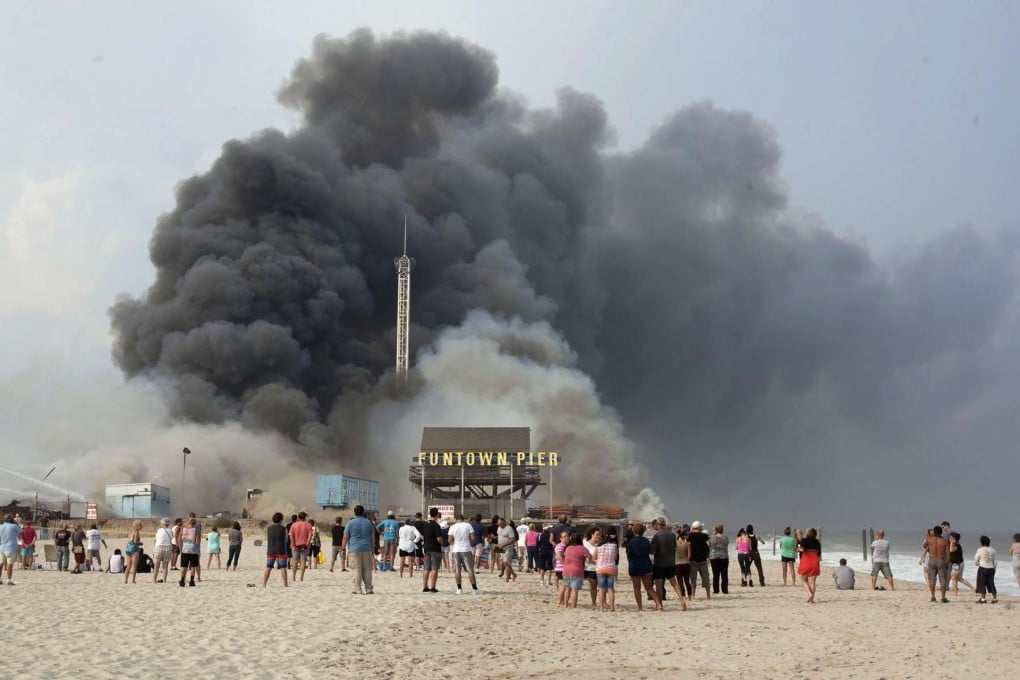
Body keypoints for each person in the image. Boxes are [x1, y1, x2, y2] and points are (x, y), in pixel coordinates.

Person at [649, 518, 686, 609]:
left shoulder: (656, 536)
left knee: (659, 585)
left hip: (659, 563)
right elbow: (675, 548)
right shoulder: (672, 535)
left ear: (658, 525)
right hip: (670, 563)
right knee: (674, 583)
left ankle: (660, 605)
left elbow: (653, 551)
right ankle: (682, 600)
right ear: (664, 525)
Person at [625, 522, 661, 611]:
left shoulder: (631, 542)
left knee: (637, 588)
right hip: (646, 566)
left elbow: (629, 555)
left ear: (633, 531)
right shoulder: (646, 541)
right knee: (649, 588)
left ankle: (640, 607)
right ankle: (658, 604)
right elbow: (650, 551)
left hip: (635, 566)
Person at [342, 504, 376, 595]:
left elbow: (345, 536)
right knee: (367, 570)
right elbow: (372, 536)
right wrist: (372, 547)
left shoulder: (350, 523)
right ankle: (369, 589)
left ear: (354, 512)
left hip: (354, 549)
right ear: (363, 512)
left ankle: (358, 589)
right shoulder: (368, 522)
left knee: (356, 569)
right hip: (366, 548)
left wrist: (343, 548)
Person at [447, 514, 479, 594]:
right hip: (466, 549)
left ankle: (459, 589)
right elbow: (473, 538)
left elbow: (449, 541)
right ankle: (474, 589)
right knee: (470, 570)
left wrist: (456, 539)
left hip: (456, 550)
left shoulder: (452, 527)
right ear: (463, 519)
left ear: (456, 519)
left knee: (457, 571)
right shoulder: (468, 525)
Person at [920, 525, 950, 603]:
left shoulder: (929, 539)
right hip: (941, 560)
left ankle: (933, 596)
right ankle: (943, 597)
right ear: (941, 532)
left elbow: (924, 546)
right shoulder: (944, 541)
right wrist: (947, 563)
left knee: (932, 579)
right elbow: (948, 554)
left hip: (932, 560)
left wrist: (929, 540)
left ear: (934, 532)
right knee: (942, 580)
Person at [593, 528, 618, 612]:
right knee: (610, 588)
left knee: (601, 588)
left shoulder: (598, 546)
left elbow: (594, 558)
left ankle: (601, 607)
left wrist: (598, 561)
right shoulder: (614, 545)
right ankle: (612, 607)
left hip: (600, 568)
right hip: (610, 568)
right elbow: (615, 557)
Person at [261, 512, 288, 588]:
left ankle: (264, 584)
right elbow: (286, 540)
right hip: (281, 550)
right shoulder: (284, 529)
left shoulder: (269, 528)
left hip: (271, 550)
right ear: (281, 520)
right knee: (283, 567)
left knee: (268, 567)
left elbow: (267, 538)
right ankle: (285, 584)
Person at [560, 534, 588, 608]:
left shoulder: (568, 548)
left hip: (566, 570)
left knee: (567, 588)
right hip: (577, 570)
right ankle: (573, 606)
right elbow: (589, 557)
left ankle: (565, 604)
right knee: (574, 590)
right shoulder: (582, 548)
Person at [420, 507, 444, 592]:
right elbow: (439, 538)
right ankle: (433, 587)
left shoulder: (425, 524)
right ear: (437, 514)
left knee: (426, 568)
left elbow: (421, 536)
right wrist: (442, 543)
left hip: (426, 548)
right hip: (435, 549)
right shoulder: (436, 525)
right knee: (434, 568)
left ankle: (425, 587)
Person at [687, 520, 711, 600]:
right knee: (706, 578)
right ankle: (708, 595)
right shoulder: (704, 536)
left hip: (693, 560)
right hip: (703, 560)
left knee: (693, 579)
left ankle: (693, 595)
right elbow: (708, 545)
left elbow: (688, 547)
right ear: (699, 527)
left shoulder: (690, 536)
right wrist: (706, 555)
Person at [798, 527, 821, 603]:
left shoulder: (804, 540)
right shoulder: (817, 542)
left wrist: (797, 549)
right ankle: (812, 599)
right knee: (812, 582)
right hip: (815, 560)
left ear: (808, 533)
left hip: (806, 560)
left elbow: (802, 549)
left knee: (804, 580)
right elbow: (819, 554)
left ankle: (809, 594)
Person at [288, 511, 312, 583]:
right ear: (305, 517)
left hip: (295, 545)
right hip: (304, 546)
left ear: (298, 517)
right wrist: (306, 545)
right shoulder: (308, 525)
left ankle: (293, 577)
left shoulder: (294, 525)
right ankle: (301, 578)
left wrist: (293, 544)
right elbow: (310, 536)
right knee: (303, 561)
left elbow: (291, 536)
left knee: (295, 561)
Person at [973, 535, 997, 604]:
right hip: (991, 568)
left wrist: (978, 564)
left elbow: (976, 559)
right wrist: (994, 568)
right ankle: (994, 598)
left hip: (983, 568)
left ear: (981, 542)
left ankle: (983, 599)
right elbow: (995, 561)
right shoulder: (993, 550)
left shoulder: (980, 550)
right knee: (991, 583)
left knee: (982, 583)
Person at [0, 515, 23, 584]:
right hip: (11, 548)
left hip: (2, 547)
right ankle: (9, 580)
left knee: (0, 564)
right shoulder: (14, 526)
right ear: (12, 520)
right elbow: (21, 531)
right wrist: (16, 523)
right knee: (10, 565)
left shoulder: (0, 526)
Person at [178, 517, 200, 587]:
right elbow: (197, 541)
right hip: (193, 549)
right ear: (195, 523)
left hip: (185, 549)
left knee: (184, 566)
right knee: (193, 566)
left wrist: (180, 546)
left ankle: (182, 580)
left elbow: (179, 538)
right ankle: (191, 581)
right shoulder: (195, 530)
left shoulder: (183, 530)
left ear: (188, 522)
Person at [709, 523, 730, 595]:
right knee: (724, 574)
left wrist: (713, 535)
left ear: (715, 530)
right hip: (724, 557)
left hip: (714, 557)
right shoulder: (725, 538)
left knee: (715, 574)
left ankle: (716, 590)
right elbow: (727, 544)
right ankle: (725, 590)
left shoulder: (712, 537)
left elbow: (708, 544)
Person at [496, 516, 518, 583]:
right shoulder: (499, 528)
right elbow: (499, 536)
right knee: (503, 563)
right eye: (499, 524)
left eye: (501, 523)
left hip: (508, 548)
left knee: (506, 562)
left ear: (504, 522)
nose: (500, 525)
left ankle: (507, 578)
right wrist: (498, 543)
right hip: (500, 548)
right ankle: (514, 574)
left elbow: (513, 539)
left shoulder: (509, 529)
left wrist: (503, 545)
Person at [153, 518, 174, 583]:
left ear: (162, 524)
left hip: (159, 547)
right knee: (165, 566)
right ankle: (164, 580)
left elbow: (156, 540)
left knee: (156, 566)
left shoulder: (159, 530)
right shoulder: (170, 530)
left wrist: (154, 549)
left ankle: (154, 580)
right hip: (168, 547)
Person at [674, 525, 692, 597]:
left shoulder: (675, 544)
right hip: (686, 563)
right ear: (684, 536)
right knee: (687, 581)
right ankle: (689, 596)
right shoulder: (687, 544)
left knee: (680, 581)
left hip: (677, 564)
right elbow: (689, 556)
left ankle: (683, 595)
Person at [123, 519, 143, 584]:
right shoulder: (137, 532)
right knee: (134, 566)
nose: (141, 527)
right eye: (141, 525)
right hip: (134, 549)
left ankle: (125, 580)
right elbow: (135, 542)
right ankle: (133, 580)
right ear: (137, 526)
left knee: (128, 566)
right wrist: (140, 543)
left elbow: (129, 541)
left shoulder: (130, 532)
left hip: (128, 548)